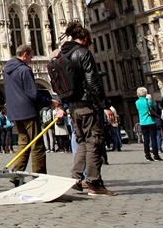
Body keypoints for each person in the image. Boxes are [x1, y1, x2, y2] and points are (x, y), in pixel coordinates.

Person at [58, 22, 115, 196]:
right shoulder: (83, 53)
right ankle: (94, 182)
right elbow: (92, 82)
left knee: (82, 141)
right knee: (94, 142)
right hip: (87, 104)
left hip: (73, 106)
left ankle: (76, 178)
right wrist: (104, 105)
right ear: (85, 39)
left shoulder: (62, 54)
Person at [3, 44, 47, 175]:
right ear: (25, 54)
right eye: (31, 55)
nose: (32, 58)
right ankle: (39, 176)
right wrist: (49, 101)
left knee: (23, 143)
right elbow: (32, 93)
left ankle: (16, 175)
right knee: (37, 144)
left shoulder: (7, 69)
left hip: (15, 113)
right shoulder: (24, 70)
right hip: (28, 111)